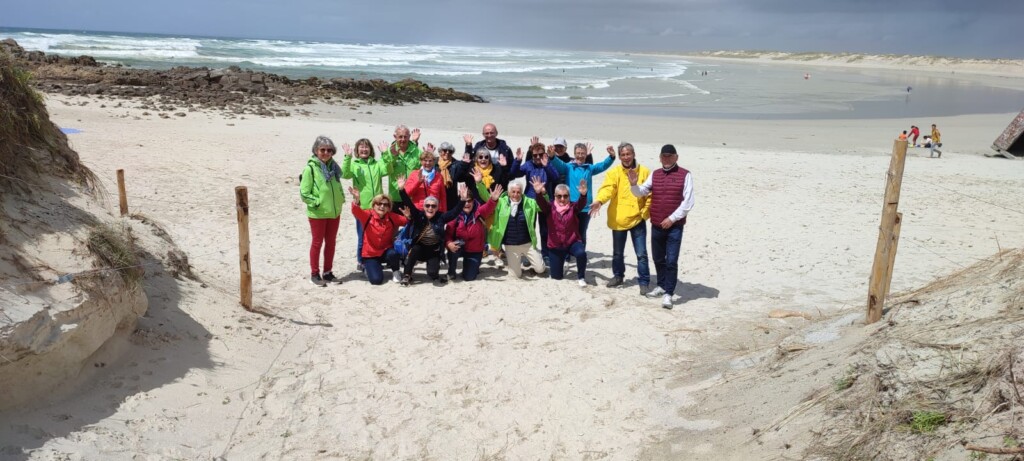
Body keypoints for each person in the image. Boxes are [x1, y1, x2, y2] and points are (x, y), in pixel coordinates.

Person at [629, 144, 694, 309]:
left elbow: (688, 202)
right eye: (664, 156)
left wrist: (672, 219)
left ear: (676, 157)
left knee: (671, 261)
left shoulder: (685, 175)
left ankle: (668, 294)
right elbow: (641, 192)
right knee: (658, 258)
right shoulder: (655, 174)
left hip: (674, 226)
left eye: (669, 156)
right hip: (657, 224)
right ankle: (661, 285)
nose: (666, 159)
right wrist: (634, 185)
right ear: (659, 158)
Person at [590, 142, 651, 294]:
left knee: (641, 254)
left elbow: (650, 196)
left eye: (628, 154)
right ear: (619, 157)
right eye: (623, 155)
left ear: (634, 154)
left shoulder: (644, 171)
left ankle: (644, 281)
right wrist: (599, 201)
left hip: (638, 219)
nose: (626, 157)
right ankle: (618, 276)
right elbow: (607, 189)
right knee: (617, 253)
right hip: (618, 219)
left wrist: (644, 213)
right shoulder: (615, 172)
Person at [397, 177, 465, 285]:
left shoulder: (441, 217)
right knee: (415, 249)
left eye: (433, 206)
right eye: (427, 205)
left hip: (433, 250)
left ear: (437, 208)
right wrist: (401, 190)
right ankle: (407, 275)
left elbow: (454, 212)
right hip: (419, 248)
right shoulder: (419, 215)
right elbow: (409, 203)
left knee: (433, 274)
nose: (430, 208)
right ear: (424, 207)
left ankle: (433, 269)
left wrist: (462, 200)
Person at [341, 138, 394, 272]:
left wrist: (385, 154)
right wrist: (347, 157)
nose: (364, 150)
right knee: (362, 235)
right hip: (363, 207)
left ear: (370, 150)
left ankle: (377, 259)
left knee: (379, 234)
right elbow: (345, 174)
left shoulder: (377, 164)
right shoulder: (354, 164)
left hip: (379, 207)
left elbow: (389, 169)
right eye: (361, 147)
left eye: (366, 147)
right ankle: (361, 261)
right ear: (357, 151)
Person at [299, 136, 346, 286]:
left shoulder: (333, 168)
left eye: (329, 150)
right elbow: (304, 193)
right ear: (316, 151)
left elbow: (337, 186)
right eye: (322, 150)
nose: (326, 153)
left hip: (334, 212)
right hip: (318, 213)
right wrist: (317, 203)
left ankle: (328, 272)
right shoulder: (310, 168)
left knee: (331, 243)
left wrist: (341, 199)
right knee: (317, 243)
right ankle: (315, 274)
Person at [550, 142, 615, 249]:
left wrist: (611, 156)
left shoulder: (589, 168)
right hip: (569, 206)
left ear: (586, 155)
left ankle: (581, 255)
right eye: (578, 153)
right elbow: (558, 163)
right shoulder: (568, 167)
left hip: (585, 207)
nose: (580, 156)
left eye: (582, 153)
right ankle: (567, 253)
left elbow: (602, 165)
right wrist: (552, 156)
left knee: (582, 232)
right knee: (568, 230)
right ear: (574, 154)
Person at [510, 139, 561, 266]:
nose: (537, 157)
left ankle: (545, 254)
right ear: (531, 155)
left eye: (540, 155)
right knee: (529, 229)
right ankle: (529, 254)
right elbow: (513, 173)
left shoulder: (547, 163)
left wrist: (546, 165)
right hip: (529, 201)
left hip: (544, 200)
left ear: (544, 154)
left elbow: (556, 178)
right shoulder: (528, 165)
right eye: (535, 155)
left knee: (545, 230)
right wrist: (517, 161)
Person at [534, 178, 589, 287]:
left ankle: (581, 277)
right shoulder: (549, 207)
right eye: (559, 196)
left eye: (565, 196)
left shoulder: (573, 207)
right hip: (556, 245)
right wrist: (538, 193)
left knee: (581, 253)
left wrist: (583, 195)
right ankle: (562, 263)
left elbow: (581, 204)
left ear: (569, 196)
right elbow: (541, 203)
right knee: (556, 277)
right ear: (554, 196)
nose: (562, 199)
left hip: (572, 241)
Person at [485, 180, 546, 278]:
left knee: (540, 269)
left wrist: (542, 193)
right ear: (509, 193)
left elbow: (544, 207)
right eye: (513, 192)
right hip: (511, 245)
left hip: (527, 243)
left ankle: (535, 260)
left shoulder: (530, 202)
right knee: (515, 275)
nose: (516, 194)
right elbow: (486, 199)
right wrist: (479, 184)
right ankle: (513, 264)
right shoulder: (501, 202)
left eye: (518, 192)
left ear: (521, 192)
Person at [348, 187, 406, 285]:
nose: (382, 207)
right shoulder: (367, 215)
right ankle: (369, 268)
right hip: (370, 254)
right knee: (376, 280)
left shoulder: (392, 217)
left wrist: (408, 216)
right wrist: (357, 199)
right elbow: (356, 211)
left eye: (385, 204)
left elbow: (407, 221)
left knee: (394, 253)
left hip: (386, 251)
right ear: (374, 205)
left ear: (389, 207)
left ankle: (396, 271)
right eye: (379, 204)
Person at [446, 184, 502, 281]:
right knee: (452, 250)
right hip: (460, 246)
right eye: (464, 201)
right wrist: (449, 243)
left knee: (469, 277)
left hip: (474, 250)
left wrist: (493, 200)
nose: (467, 203)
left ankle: (472, 266)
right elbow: (448, 234)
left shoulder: (479, 212)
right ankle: (451, 272)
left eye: (469, 200)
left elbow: (488, 207)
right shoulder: (455, 214)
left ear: (473, 201)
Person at [382, 125, 422, 205]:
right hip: (396, 196)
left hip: (413, 196)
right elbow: (386, 170)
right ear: (395, 136)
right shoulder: (389, 152)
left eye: (405, 137)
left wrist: (428, 154)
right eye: (400, 137)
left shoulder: (417, 151)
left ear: (409, 137)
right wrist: (393, 157)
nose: (403, 139)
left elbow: (423, 167)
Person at [434, 141, 480, 209]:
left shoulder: (456, 164)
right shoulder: (434, 163)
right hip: (436, 195)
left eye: (450, 151)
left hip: (451, 197)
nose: (447, 152)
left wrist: (468, 146)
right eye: (444, 150)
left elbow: (466, 162)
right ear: (440, 151)